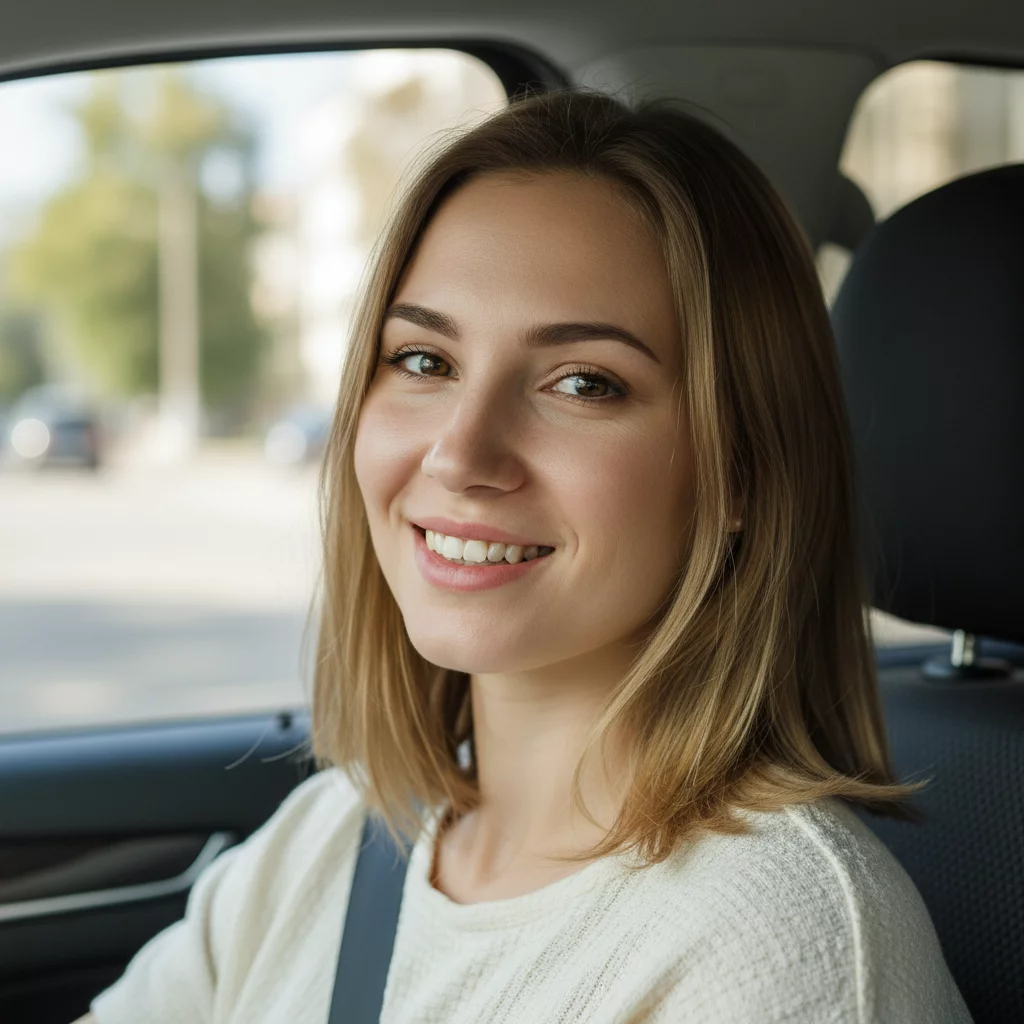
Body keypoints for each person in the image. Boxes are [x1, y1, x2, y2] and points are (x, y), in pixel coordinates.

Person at [78, 88, 972, 1023]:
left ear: (740, 470)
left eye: (583, 383)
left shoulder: (782, 949)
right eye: (425, 361)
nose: (460, 455)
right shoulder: (337, 839)